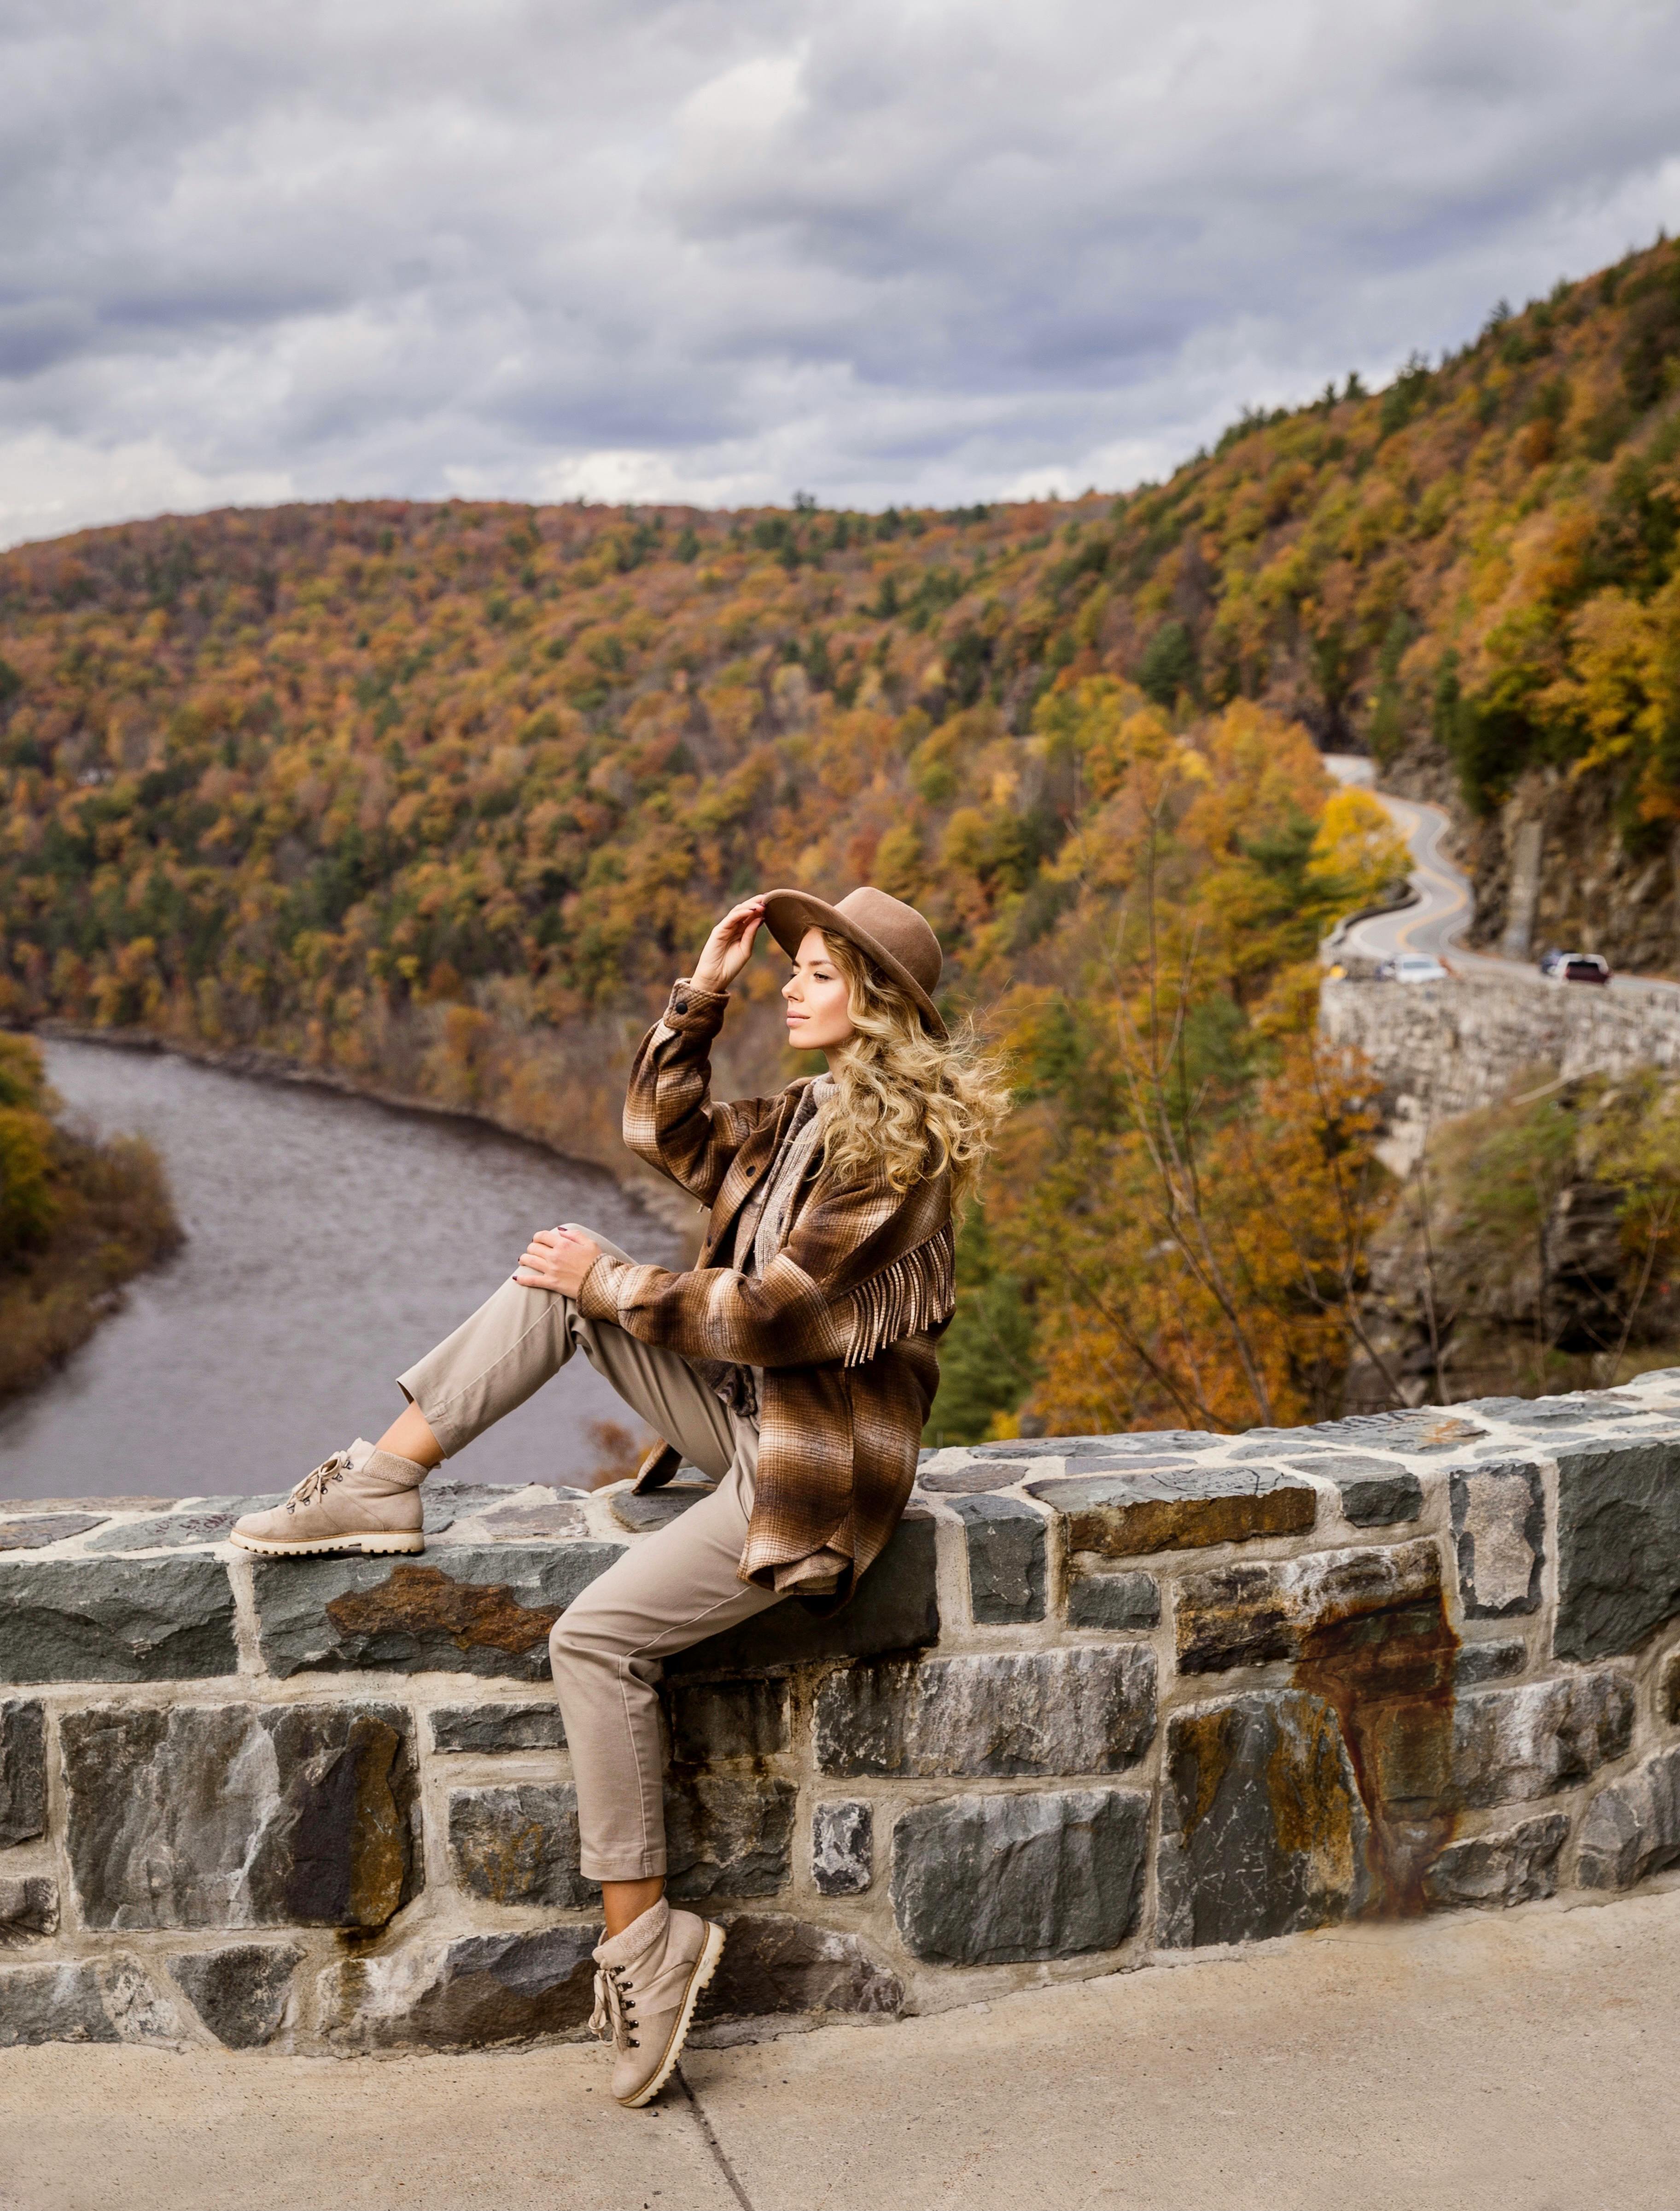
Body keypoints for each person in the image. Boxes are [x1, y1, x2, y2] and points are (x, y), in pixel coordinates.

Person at [231, 885, 1010, 2107]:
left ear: (871, 1002)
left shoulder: (892, 1150)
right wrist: (701, 992)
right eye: (792, 970)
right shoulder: (812, 1110)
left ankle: (647, 1945)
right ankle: (385, 1477)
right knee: (558, 1273)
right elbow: (671, 1134)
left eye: (813, 973)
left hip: (809, 1468)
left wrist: (619, 1282)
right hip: (756, 1418)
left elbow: (781, 1312)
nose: (791, 989)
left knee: (594, 1638)